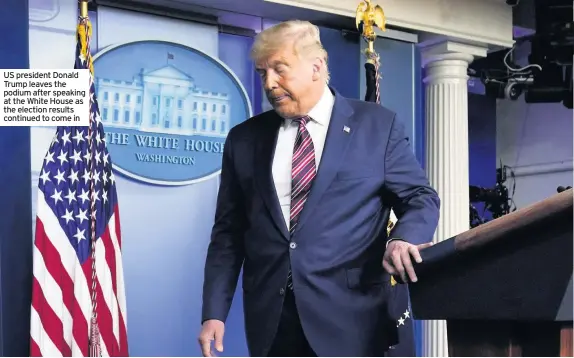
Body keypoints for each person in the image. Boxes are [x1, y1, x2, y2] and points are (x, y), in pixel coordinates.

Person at [199, 20, 440, 357]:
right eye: (262, 73)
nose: (270, 83)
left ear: (317, 67)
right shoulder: (243, 139)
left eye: (280, 70)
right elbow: (228, 232)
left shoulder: (377, 126)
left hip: (356, 319)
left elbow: (420, 197)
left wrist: (403, 237)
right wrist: (214, 311)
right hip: (274, 323)